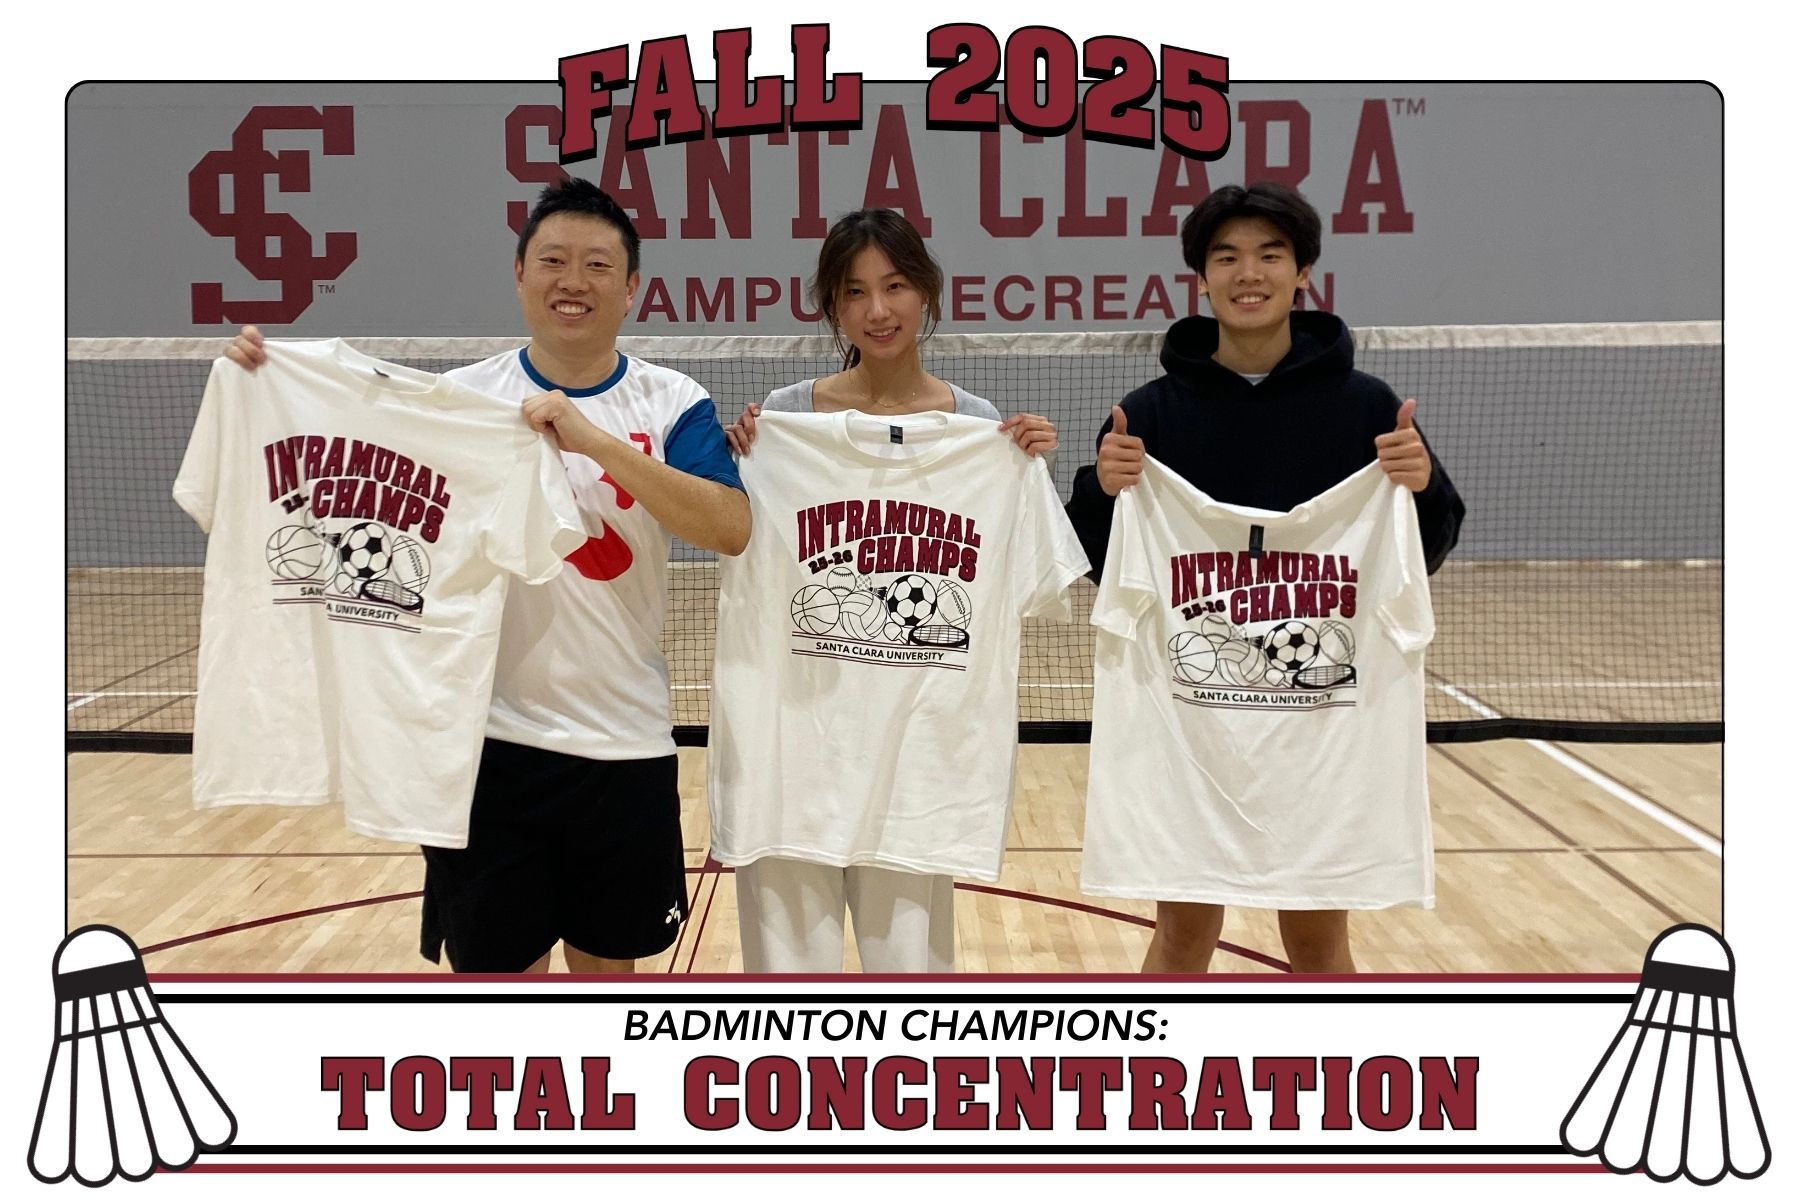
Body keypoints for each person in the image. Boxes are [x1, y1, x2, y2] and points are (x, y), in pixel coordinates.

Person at [224, 179, 750, 974]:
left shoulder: (673, 401)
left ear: (633, 286)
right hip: (483, 747)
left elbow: (728, 526)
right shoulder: (459, 400)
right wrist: (268, 384)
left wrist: (592, 440)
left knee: (611, 981)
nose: (574, 281)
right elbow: (351, 463)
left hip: (625, 742)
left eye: (599, 265)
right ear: (518, 273)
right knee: (498, 993)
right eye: (554, 261)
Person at [1064, 182, 1465, 974]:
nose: (1250, 273)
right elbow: (1105, 563)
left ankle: (1336, 1090)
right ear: (1200, 281)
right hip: (1193, 730)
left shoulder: (1366, 407)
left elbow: (1425, 547)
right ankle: (1158, 1094)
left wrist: (1420, 484)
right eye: (1228, 257)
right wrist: (1102, 489)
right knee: (1182, 936)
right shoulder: (1150, 413)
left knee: (1317, 941)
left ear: (1304, 273)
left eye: (1270, 255)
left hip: (1321, 731)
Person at [717, 208, 1073, 973]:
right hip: (793, 769)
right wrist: (742, 457)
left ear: (928, 293)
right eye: (854, 292)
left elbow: (1035, 578)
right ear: (832, 307)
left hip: (918, 772)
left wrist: (1023, 468)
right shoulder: (779, 422)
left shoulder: (982, 431)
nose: (877, 310)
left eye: (896, 286)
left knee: (913, 1000)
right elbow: (737, 536)